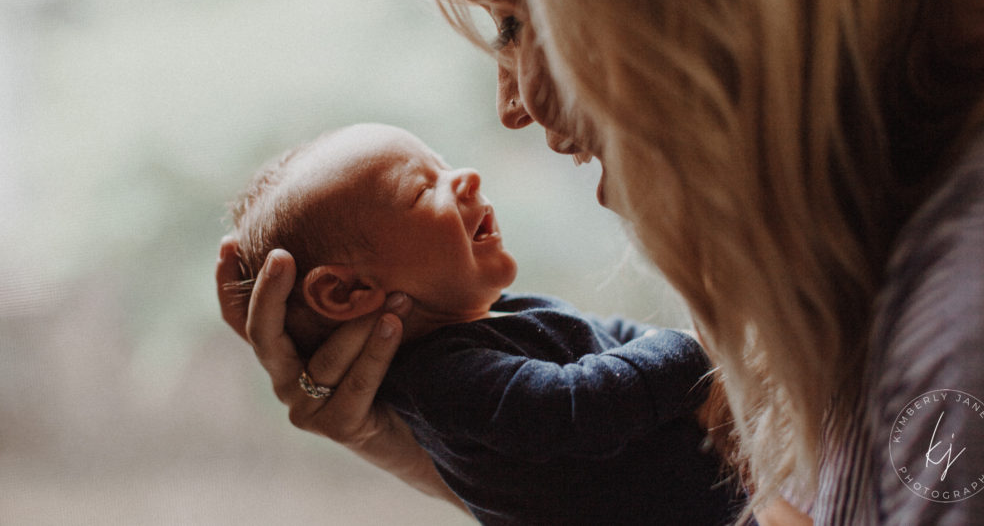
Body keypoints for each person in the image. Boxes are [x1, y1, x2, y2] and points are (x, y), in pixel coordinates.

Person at [218, 0, 984, 523]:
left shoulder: (977, 332)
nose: (514, 105)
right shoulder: (879, 262)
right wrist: (417, 447)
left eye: (517, 24)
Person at [225, 122, 741, 525]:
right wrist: (695, 350)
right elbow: (574, 405)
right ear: (347, 291)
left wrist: (670, 344)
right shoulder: (444, 381)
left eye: (444, 164)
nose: (465, 177)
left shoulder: (501, 315)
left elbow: (604, 335)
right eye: (422, 190)